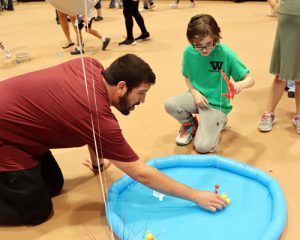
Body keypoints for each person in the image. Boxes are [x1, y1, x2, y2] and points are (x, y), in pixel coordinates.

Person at [0, 54, 227, 226]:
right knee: (38, 213)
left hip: (23, 131)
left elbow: (88, 129)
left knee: (53, 184)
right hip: (6, 138)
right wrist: (196, 195)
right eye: (141, 93)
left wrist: (98, 162)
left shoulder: (93, 66)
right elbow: (141, 173)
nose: (143, 101)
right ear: (121, 87)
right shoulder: (97, 115)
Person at [164, 14, 254, 153]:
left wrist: (240, 85)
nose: (204, 50)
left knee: (202, 147)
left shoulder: (225, 53)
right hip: (196, 97)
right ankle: (190, 125)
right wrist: (194, 92)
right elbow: (187, 76)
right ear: (191, 41)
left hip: (215, 105)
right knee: (170, 104)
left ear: (216, 38)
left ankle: (221, 121)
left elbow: (250, 79)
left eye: (208, 44)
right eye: (198, 46)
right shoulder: (189, 52)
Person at [258, 0, 300, 134]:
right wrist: (274, 5)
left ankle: (299, 116)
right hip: (288, 15)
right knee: (281, 72)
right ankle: (269, 113)